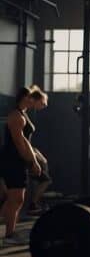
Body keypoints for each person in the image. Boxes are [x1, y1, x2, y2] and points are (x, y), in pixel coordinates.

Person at [1, 86, 48, 244]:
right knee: (16, 198)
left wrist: (34, 156)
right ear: (25, 98)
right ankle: (9, 235)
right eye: (31, 97)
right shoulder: (16, 116)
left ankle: (10, 233)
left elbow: (26, 142)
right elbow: (19, 142)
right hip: (12, 161)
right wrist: (32, 161)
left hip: (18, 160)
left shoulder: (23, 114)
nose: (33, 100)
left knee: (16, 199)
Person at [26, 149, 52, 216]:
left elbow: (43, 160)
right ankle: (33, 204)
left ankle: (34, 204)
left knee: (45, 182)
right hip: (36, 166)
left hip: (40, 166)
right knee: (46, 181)